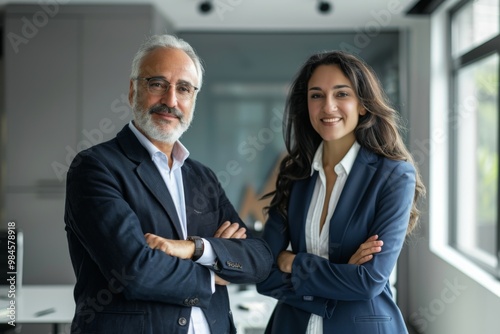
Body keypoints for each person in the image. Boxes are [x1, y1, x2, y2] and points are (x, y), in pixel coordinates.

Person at [64, 34, 274, 334]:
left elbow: (259, 259)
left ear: (193, 99)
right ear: (133, 90)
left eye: (184, 89)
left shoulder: (203, 178)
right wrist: (215, 271)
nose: (171, 100)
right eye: (157, 84)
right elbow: (134, 272)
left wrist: (195, 249)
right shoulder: (96, 167)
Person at [256, 50, 426, 334]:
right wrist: (341, 275)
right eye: (316, 95)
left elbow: (368, 282)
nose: (328, 106)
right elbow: (265, 274)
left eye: (342, 94)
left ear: (362, 105)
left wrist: (294, 261)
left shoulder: (394, 176)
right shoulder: (295, 174)